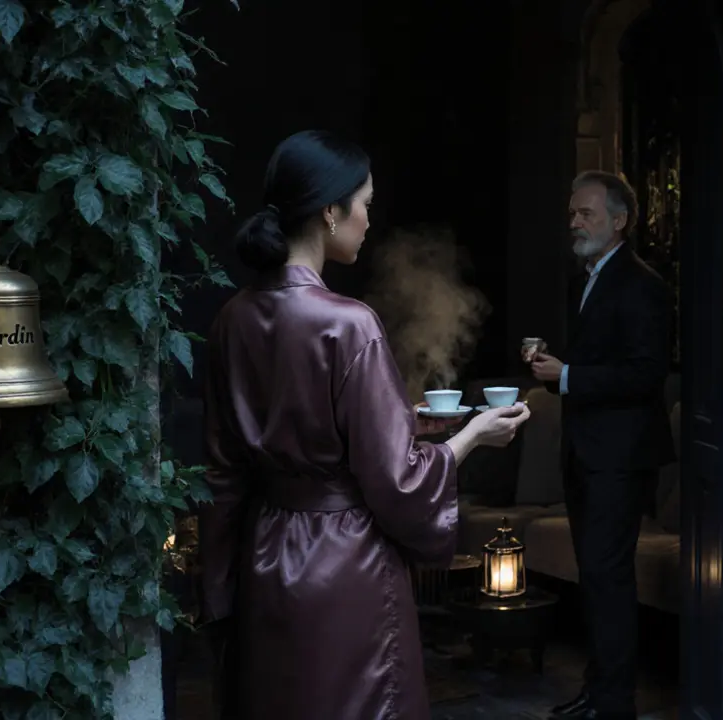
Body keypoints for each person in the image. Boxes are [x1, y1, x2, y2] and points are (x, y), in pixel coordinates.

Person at [198, 129, 532, 719]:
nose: (370, 221)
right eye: (367, 205)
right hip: (345, 565)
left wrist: (220, 590)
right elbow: (396, 480)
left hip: (265, 556)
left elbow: (224, 472)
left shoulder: (233, 318)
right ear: (331, 211)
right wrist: (471, 436)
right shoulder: (349, 324)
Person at [529, 171, 673, 720]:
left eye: (585, 213)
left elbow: (645, 374)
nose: (574, 222)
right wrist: (556, 373)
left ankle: (614, 705)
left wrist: (567, 378)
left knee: (609, 580)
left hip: (619, 459)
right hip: (588, 453)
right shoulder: (586, 278)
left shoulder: (644, 285)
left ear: (620, 221)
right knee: (596, 577)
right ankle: (598, 692)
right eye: (572, 213)